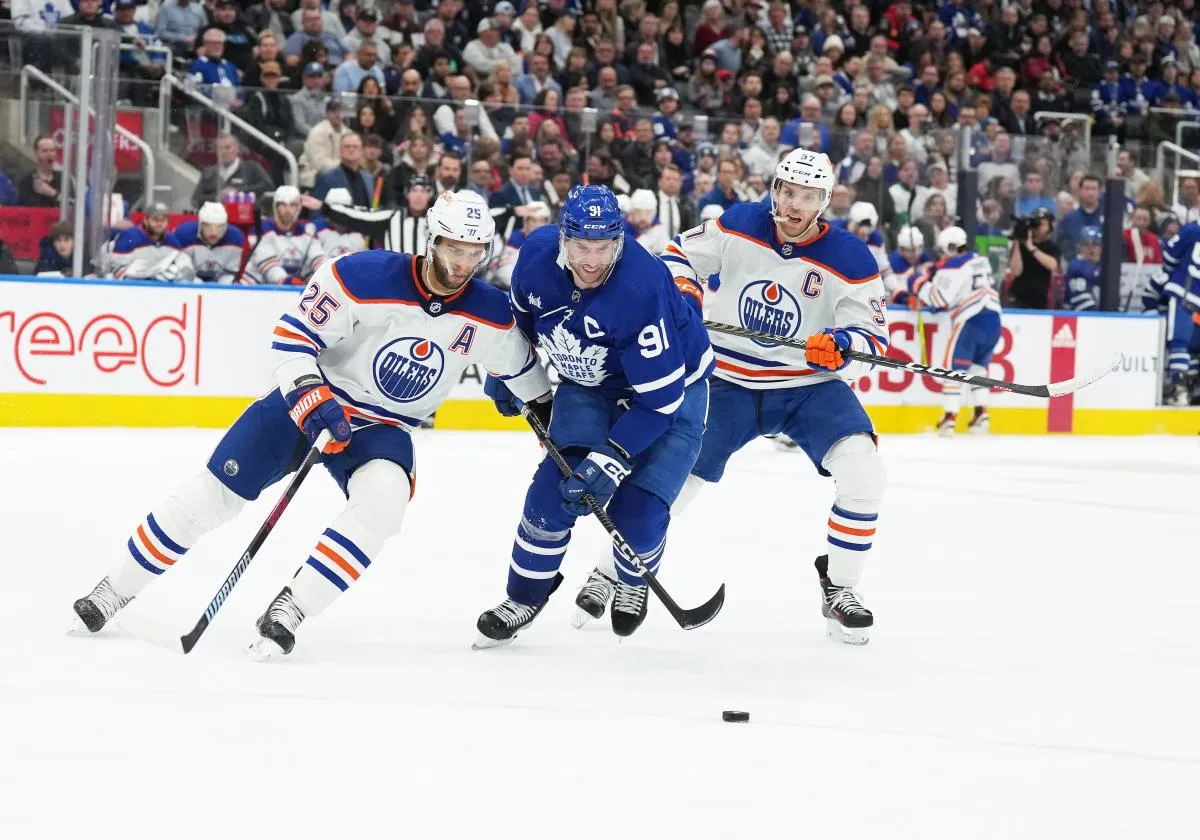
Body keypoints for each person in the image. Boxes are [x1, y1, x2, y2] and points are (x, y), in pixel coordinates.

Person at [70, 191, 552, 659]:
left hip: (383, 428)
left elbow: (525, 374)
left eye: (474, 252)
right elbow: (292, 336)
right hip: (310, 401)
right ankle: (114, 589)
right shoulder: (360, 275)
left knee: (384, 501)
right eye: (454, 249)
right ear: (432, 239)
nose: (463, 263)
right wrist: (311, 395)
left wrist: (548, 418)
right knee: (210, 497)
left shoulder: (491, 312)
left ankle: (292, 609)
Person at [580, 149, 888, 645]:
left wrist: (844, 347)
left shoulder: (850, 257)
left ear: (824, 201)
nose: (793, 205)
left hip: (805, 387)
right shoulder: (740, 222)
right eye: (787, 192)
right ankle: (612, 572)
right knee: (672, 484)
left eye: (807, 196)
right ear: (774, 190)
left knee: (864, 471)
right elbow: (675, 255)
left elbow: (873, 339)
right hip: (726, 380)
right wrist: (685, 291)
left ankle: (842, 586)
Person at [475, 184, 714, 645]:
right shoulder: (536, 257)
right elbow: (522, 321)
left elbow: (658, 403)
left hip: (673, 392)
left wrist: (613, 456)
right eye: (582, 246)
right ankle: (524, 597)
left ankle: (632, 579)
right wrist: (507, 368)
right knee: (551, 497)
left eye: (603, 247)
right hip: (589, 386)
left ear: (618, 241)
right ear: (563, 239)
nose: (591, 259)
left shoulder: (639, 289)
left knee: (637, 515)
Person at [909, 226, 1002, 435]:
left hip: (971, 319)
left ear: (951, 248)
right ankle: (981, 414)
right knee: (978, 368)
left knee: (953, 368)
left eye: (943, 251)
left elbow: (939, 299)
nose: (942, 256)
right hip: (994, 318)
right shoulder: (981, 259)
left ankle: (949, 418)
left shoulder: (951, 267)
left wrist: (919, 284)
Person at [301, 173, 434, 254]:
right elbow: (357, 215)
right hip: (397, 282)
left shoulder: (438, 221)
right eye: (414, 190)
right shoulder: (390, 217)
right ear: (407, 193)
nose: (418, 196)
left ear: (430, 194)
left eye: (423, 191)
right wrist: (325, 208)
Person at [1143, 222, 1200, 406]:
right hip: (1193, 298)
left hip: (1185, 294)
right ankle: (1186, 388)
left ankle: (1181, 389)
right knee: (1189, 347)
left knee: (1180, 344)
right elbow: (1149, 295)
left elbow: (1169, 257)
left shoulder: (1192, 230)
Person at [244, 186, 325, 285]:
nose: (288, 210)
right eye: (283, 205)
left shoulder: (308, 230)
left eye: (293, 205)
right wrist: (287, 281)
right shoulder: (261, 229)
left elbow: (318, 259)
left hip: (295, 286)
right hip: (261, 287)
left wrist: (326, 277)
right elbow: (268, 264)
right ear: (276, 207)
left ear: (298, 208)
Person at [110, 202, 192, 282]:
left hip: (162, 289)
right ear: (145, 220)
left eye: (163, 220)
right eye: (155, 219)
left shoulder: (172, 240)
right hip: (132, 289)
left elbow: (184, 266)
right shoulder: (129, 237)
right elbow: (117, 269)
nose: (160, 223)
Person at [174, 202, 246, 283]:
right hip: (193, 280)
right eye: (208, 226)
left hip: (220, 281)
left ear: (225, 226)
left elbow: (230, 273)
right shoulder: (184, 235)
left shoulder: (235, 238)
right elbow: (183, 271)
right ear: (201, 225)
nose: (214, 233)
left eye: (219, 227)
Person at [1005, 207, 1060, 309]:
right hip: (1017, 299)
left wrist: (1031, 248)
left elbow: (1053, 265)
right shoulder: (1021, 246)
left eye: (1042, 224)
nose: (1038, 226)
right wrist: (1017, 241)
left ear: (1050, 227)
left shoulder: (1052, 247)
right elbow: (1015, 272)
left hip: (1039, 301)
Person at [314, 188, 367, 258]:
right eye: (335, 213)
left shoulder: (360, 234)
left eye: (343, 212)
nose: (340, 218)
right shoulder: (316, 230)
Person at [1063, 226, 1103, 311]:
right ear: (1080, 246)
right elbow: (1084, 307)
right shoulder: (1075, 266)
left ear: (1101, 247)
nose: (1091, 248)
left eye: (1095, 244)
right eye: (1086, 244)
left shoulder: (1105, 265)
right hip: (1080, 315)